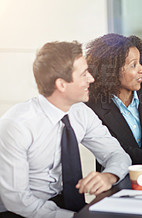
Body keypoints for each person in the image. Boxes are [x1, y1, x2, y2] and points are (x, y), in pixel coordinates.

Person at [0, 41, 131, 217]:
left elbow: (117, 154)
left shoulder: (81, 112)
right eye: (84, 74)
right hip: (19, 212)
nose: (91, 79)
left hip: (64, 203)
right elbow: (18, 200)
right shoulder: (17, 125)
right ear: (61, 84)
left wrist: (109, 176)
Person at [85, 33, 142, 174]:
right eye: (133, 65)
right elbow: (120, 151)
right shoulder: (94, 106)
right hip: (119, 180)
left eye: (140, 62)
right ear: (112, 71)